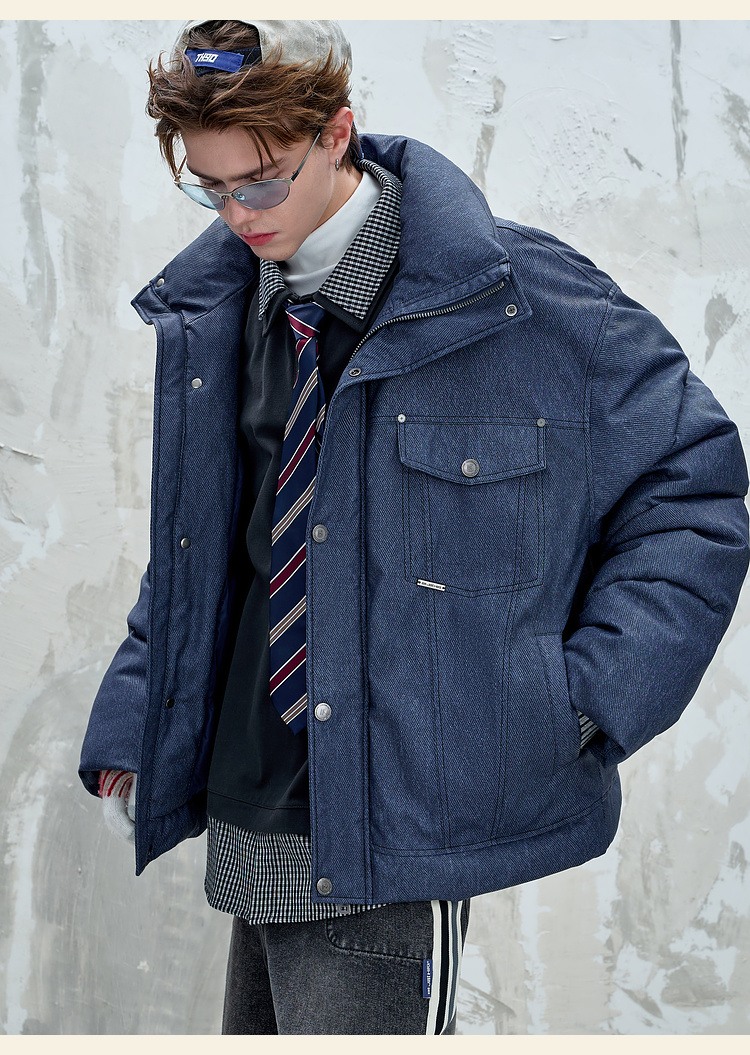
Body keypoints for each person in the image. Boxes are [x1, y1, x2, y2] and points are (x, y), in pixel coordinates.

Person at [79, 19, 749, 1036]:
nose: (239, 215)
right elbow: (209, 546)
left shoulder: (521, 296)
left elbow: (692, 485)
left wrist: (580, 702)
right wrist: (136, 717)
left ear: (337, 133)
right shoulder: (223, 308)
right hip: (246, 799)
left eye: (262, 182)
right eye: (209, 190)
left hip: (403, 826)